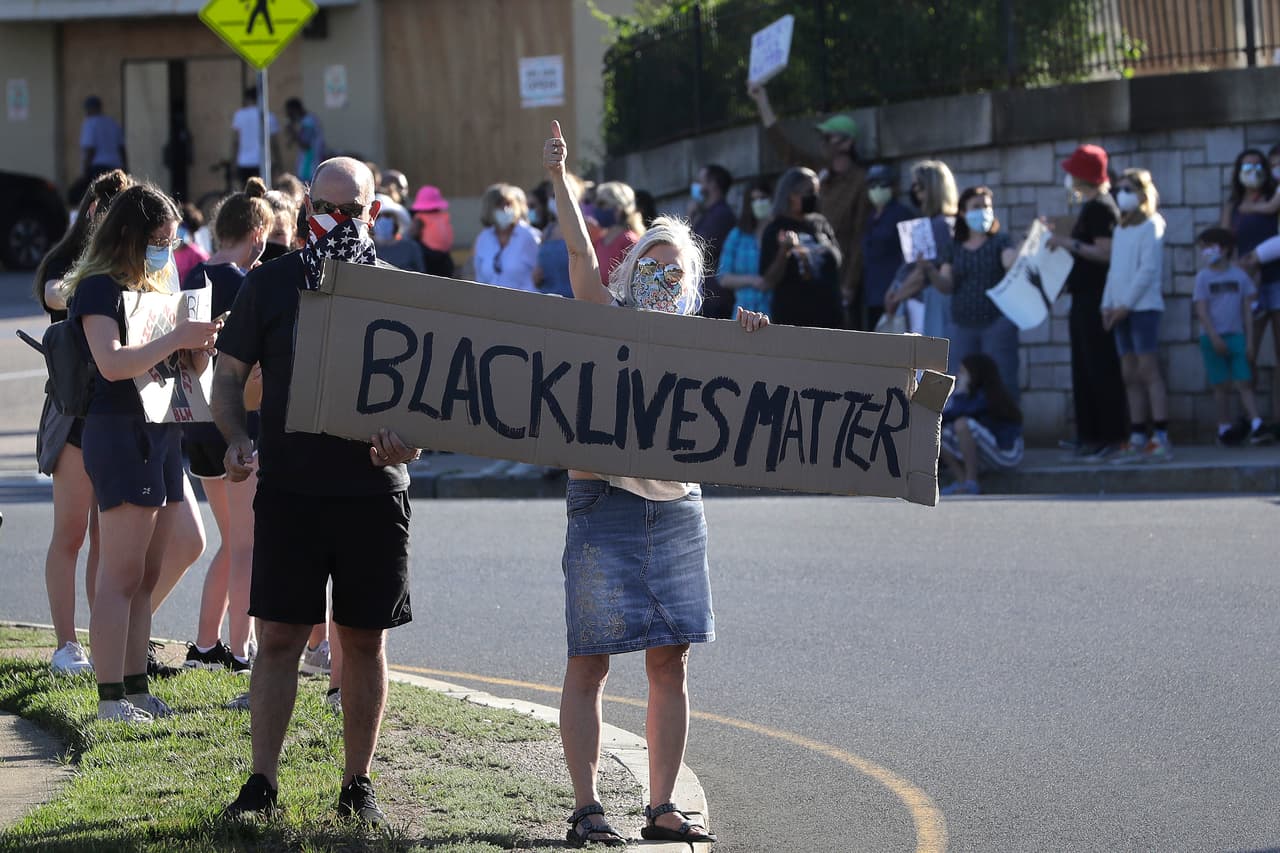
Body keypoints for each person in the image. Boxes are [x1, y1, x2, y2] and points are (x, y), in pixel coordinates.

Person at [544, 119, 765, 847]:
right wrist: (559, 178)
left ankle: (663, 805)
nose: (663, 278)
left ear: (692, 287)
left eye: (677, 271)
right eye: (651, 264)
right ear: (628, 270)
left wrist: (756, 343)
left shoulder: (704, 346)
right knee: (592, 656)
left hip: (677, 511)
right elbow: (577, 249)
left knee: (670, 659)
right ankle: (587, 808)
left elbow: (761, 395)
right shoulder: (602, 320)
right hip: (603, 501)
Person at [215, 157, 420, 824]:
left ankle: (357, 785)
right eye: (324, 210)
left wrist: (409, 444)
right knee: (277, 636)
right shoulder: (270, 286)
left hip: (372, 493)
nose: (336, 222)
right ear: (305, 214)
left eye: (350, 210)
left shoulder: (398, 291)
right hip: (291, 491)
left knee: (363, 640)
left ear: (374, 214)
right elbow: (228, 377)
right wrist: (234, 437)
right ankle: (261, 785)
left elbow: (423, 403)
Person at [64, 184, 223, 722]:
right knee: (121, 573)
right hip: (119, 431)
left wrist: (198, 350)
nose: (166, 250)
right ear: (129, 235)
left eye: (172, 241)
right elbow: (111, 363)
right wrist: (178, 333)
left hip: (162, 430)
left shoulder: (156, 284)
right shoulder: (97, 287)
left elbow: (176, 370)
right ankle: (110, 697)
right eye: (159, 240)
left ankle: (134, 685)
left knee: (147, 574)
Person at [32, 168, 132, 675]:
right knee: (69, 533)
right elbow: (53, 292)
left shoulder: (132, 267)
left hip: (118, 413)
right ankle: (65, 645)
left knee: (105, 536)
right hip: (74, 411)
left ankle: (103, 636)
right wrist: (88, 284)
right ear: (94, 212)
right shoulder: (71, 266)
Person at [180, 179, 272, 673]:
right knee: (245, 544)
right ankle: (241, 651)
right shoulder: (244, 282)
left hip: (194, 423)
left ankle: (204, 644)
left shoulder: (193, 273)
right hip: (235, 422)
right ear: (257, 233)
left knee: (229, 539)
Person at [748, 83, 871, 328]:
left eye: (829, 137)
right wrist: (762, 102)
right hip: (798, 301)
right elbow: (785, 149)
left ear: (847, 144)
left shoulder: (860, 181)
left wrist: (849, 283)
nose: (823, 143)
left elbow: (860, 236)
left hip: (836, 283)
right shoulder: (817, 171)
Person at [1047, 144, 1128, 460]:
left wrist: (1066, 241)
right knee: (1083, 368)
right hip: (1083, 297)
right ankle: (1089, 434)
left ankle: (1110, 435)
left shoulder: (1101, 208)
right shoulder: (1091, 207)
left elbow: (1104, 252)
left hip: (1097, 298)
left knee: (1100, 368)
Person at [917, 186, 1021, 400]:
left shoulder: (1000, 241)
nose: (983, 211)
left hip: (996, 324)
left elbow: (1009, 260)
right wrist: (929, 269)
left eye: (987, 206)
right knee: (960, 382)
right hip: (962, 325)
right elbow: (946, 285)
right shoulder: (954, 248)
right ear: (963, 212)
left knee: (1003, 380)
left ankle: (1008, 431)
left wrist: (1027, 245)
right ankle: (961, 428)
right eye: (976, 207)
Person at [1102, 168, 1170, 463]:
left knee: (1148, 370)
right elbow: (1115, 271)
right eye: (1120, 189)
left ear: (1143, 193)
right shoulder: (1121, 227)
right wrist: (1107, 304)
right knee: (1129, 373)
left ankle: (1162, 436)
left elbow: (1147, 270)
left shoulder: (1153, 224)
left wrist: (1125, 304)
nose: (1122, 195)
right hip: (1119, 310)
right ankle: (1138, 434)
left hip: (1142, 309)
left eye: (1129, 189)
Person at [1194, 228, 1271, 445]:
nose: (1206, 251)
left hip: (1236, 336)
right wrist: (1214, 337)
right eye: (1203, 248)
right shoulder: (1203, 277)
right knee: (1220, 385)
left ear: (1225, 248)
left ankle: (1256, 424)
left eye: (1210, 246)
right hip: (1212, 338)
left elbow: (1248, 310)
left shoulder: (1239, 276)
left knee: (1244, 381)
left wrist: (1249, 341)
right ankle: (1223, 427)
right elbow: (1202, 311)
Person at [1224, 148, 1280, 427]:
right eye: (1247, 167)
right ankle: (1250, 416)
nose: (1253, 172)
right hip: (1249, 287)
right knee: (1249, 352)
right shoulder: (1233, 206)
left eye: (1259, 167)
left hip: (1277, 279)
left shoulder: (1275, 198)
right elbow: (1224, 243)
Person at [883, 161, 959, 338]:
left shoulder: (941, 226)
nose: (914, 191)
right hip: (914, 302)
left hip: (926, 305)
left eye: (918, 186)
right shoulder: (929, 223)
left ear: (932, 188)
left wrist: (897, 297)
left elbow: (922, 272)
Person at [759, 167, 842, 329]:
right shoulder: (775, 229)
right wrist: (784, 251)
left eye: (817, 191)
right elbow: (768, 281)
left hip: (830, 318)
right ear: (791, 195)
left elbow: (836, 261)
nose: (815, 196)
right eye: (810, 191)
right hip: (794, 321)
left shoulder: (820, 223)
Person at [939, 353, 1024, 496]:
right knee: (937, 433)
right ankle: (961, 481)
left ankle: (972, 482)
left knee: (962, 424)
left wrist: (959, 395)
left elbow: (958, 414)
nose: (959, 377)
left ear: (975, 374)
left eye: (963, 372)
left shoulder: (988, 397)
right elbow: (943, 419)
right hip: (987, 453)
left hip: (1007, 454)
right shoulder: (967, 397)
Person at [860, 164, 912, 330]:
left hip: (894, 292)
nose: (877, 189)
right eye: (872, 185)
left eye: (882, 184)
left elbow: (910, 258)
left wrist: (900, 289)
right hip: (872, 292)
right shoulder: (870, 217)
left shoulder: (903, 214)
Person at [717, 178, 773, 317]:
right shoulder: (737, 235)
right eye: (754, 199)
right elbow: (723, 277)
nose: (759, 203)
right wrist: (752, 280)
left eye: (763, 198)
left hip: (774, 313)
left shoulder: (779, 232)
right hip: (743, 313)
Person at [689, 164, 737, 318]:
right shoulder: (708, 214)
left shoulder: (721, 215)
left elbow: (696, 247)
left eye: (701, 181)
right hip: (707, 296)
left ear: (713, 184)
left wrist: (689, 218)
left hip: (715, 299)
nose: (697, 187)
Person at [471, 183, 540, 292]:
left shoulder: (530, 236)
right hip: (491, 303)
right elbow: (480, 277)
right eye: (499, 205)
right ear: (489, 209)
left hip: (526, 303)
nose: (505, 209)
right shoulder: (483, 239)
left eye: (509, 204)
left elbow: (539, 274)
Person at [592, 182, 644, 287]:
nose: (596, 208)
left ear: (619, 209)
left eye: (602, 204)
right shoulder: (599, 242)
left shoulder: (629, 241)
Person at [533, 176, 577, 298]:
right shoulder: (547, 231)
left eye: (560, 194)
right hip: (547, 298)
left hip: (574, 301)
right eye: (553, 196)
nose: (556, 200)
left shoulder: (586, 228)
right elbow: (538, 271)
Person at [230, 87, 281, 183]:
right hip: (263, 163)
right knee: (264, 193)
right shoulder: (268, 116)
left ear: (247, 99)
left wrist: (233, 163)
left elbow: (235, 142)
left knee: (245, 194)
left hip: (243, 162)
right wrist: (279, 163)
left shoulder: (239, 115)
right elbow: (274, 144)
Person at [372, 194, 427, 273]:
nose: (383, 220)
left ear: (396, 219)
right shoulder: (366, 248)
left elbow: (422, 278)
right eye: (379, 216)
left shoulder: (411, 247)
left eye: (388, 215)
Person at [79, 95, 127, 182]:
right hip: (117, 167)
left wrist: (85, 170)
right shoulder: (113, 123)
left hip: (99, 168)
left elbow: (90, 149)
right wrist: (125, 167)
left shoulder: (90, 123)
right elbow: (121, 148)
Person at [284, 97, 324, 181]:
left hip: (309, 167)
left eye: (290, 113)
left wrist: (292, 132)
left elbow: (306, 145)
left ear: (295, 110)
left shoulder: (308, 123)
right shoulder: (306, 121)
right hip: (308, 165)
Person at [409, 185, 454, 254]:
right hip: (445, 252)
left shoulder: (420, 217)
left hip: (428, 253)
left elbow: (412, 235)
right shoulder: (444, 216)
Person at [175, 203, 210, 283]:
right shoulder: (168, 253)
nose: (179, 229)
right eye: (178, 225)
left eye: (183, 226)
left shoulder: (198, 255)